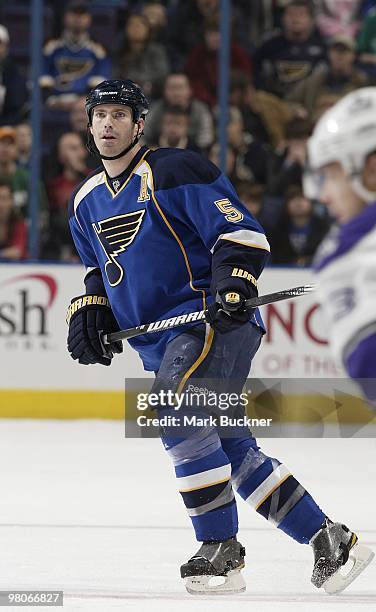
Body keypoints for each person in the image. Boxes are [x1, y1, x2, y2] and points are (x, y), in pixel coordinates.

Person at [66, 79, 373, 595]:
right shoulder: (85, 201)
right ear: (89, 124)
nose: (109, 124)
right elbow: (100, 268)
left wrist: (233, 281)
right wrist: (91, 307)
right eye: (100, 115)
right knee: (231, 449)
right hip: (158, 342)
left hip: (208, 322)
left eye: (120, 114)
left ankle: (220, 548)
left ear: (140, 124)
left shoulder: (174, 170)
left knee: (176, 408)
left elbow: (240, 232)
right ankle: (330, 540)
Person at [306, 86, 376, 405]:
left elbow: (368, 361)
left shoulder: (352, 254)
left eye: (332, 175)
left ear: (372, 170)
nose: (324, 195)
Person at [40, 0, 111, 111]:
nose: (78, 18)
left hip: (86, 105)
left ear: (89, 19)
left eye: (82, 14)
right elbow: (40, 76)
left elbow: (102, 80)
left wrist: (86, 101)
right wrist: (50, 100)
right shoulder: (50, 47)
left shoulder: (99, 49)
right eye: (73, 13)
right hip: (53, 104)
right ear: (65, 17)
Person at [253, 0, 326, 98]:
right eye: (291, 14)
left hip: (308, 102)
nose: (295, 19)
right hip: (275, 101)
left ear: (311, 20)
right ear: (283, 18)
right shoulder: (269, 46)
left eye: (301, 15)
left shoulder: (321, 48)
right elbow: (256, 73)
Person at [287, 35, 368, 121]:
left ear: (353, 56)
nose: (339, 56)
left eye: (344, 51)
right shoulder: (313, 81)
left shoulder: (363, 84)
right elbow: (289, 101)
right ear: (329, 54)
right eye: (336, 51)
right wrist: (297, 110)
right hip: (315, 128)